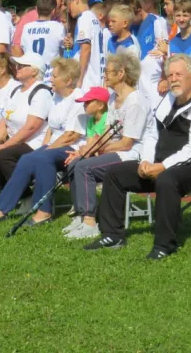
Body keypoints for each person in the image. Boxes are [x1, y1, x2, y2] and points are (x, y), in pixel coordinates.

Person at [86, 54, 191, 260]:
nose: (174, 79)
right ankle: (112, 234)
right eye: (170, 75)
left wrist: (163, 166)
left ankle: (164, 245)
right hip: (160, 163)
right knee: (115, 173)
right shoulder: (167, 100)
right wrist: (146, 160)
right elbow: (152, 134)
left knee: (167, 180)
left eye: (179, 74)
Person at [0, 58, 85, 226]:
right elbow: (51, 129)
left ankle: (43, 211)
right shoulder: (56, 97)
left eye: (55, 76)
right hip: (54, 146)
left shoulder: (78, 97)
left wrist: (46, 149)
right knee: (27, 158)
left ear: (68, 81)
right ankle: (1, 208)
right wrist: (44, 147)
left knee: (41, 158)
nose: (50, 79)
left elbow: (71, 135)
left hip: (72, 147)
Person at [66, 52, 148, 240]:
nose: (105, 75)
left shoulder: (135, 101)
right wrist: (84, 150)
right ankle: (81, 217)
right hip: (116, 149)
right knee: (76, 163)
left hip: (133, 155)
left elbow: (127, 143)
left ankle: (89, 223)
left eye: (109, 71)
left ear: (121, 74)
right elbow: (106, 133)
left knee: (85, 167)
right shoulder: (112, 99)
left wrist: (96, 150)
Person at [0, 52, 53, 213]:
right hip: (15, 141)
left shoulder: (41, 92)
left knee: (3, 155)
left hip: (33, 143)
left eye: (22, 66)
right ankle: (3, 193)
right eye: (17, 65)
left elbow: (31, 127)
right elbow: (4, 122)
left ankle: (28, 195)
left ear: (34, 71)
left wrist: (4, 146)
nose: (17, 68)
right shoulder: (16, 91)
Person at [17, 0, 66, 79]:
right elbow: (65, 48)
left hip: (31, 74)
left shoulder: (27, 27)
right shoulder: (58, 26)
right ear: (53, 10)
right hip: (50, 75)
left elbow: (23, 48)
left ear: (36, 9)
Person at [66, 0, 103, 89]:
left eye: (69, 5)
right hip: (97, 75)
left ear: (76, 0)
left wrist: (80, 78)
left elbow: (86, 49)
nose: (68, 10)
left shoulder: (84, 18)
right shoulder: (93, 17)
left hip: (88, 78)